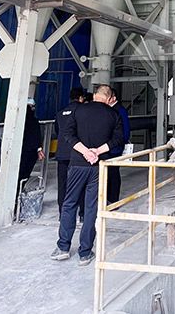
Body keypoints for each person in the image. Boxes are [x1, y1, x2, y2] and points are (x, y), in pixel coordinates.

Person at [51, 84, 123, 266]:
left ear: (95, 95)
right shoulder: (113, 115)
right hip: (98, 165)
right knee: (91, 207)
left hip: (77, 164)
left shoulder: (79, 110)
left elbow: (67, 134)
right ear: (109, 98)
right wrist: (96, 152)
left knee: (69, 203)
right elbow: (117, 139)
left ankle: (63, 248)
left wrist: (85, 152)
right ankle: (84, 252)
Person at [55, 87, 89, 221]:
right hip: (78, 153)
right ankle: (82, 214)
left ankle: (63, 214)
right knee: (81, 184)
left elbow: (58, 131)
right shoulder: (82, 111)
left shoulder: (60, 113)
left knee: (63, 185)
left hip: (62, 153)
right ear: (81, 98)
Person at [106, 86, 131, 204]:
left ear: (113, 98)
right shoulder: (111, 109)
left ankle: (113, 199)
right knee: (109, 173)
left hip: (115, 147)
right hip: (109, 147)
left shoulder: (119, 110)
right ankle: (108, 197)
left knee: (113, 173)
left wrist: (122, 142)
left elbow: (125, 130)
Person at [17, 97, 44, 199]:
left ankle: (16, 195)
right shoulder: (33, 121)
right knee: (23, 174)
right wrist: (39, 149)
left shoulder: (18, 119)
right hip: (29, 151)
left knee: (19, 174)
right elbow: (36, 136)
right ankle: (18, 195)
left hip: (21, 150)